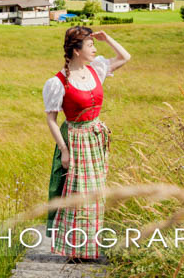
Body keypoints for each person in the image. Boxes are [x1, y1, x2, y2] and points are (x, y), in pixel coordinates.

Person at [43, 25, 131, 261]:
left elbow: (125, 57)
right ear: (76, 50)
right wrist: (64, 150)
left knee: (95, 194)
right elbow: (51, 119)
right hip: (75, 139)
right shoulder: (58, 82)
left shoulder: (97, 70)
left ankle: (90, 247)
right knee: (77, 196)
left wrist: (108, 38)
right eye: (90, 45)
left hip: (96, 139)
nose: (94, 49)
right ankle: (74, 250)